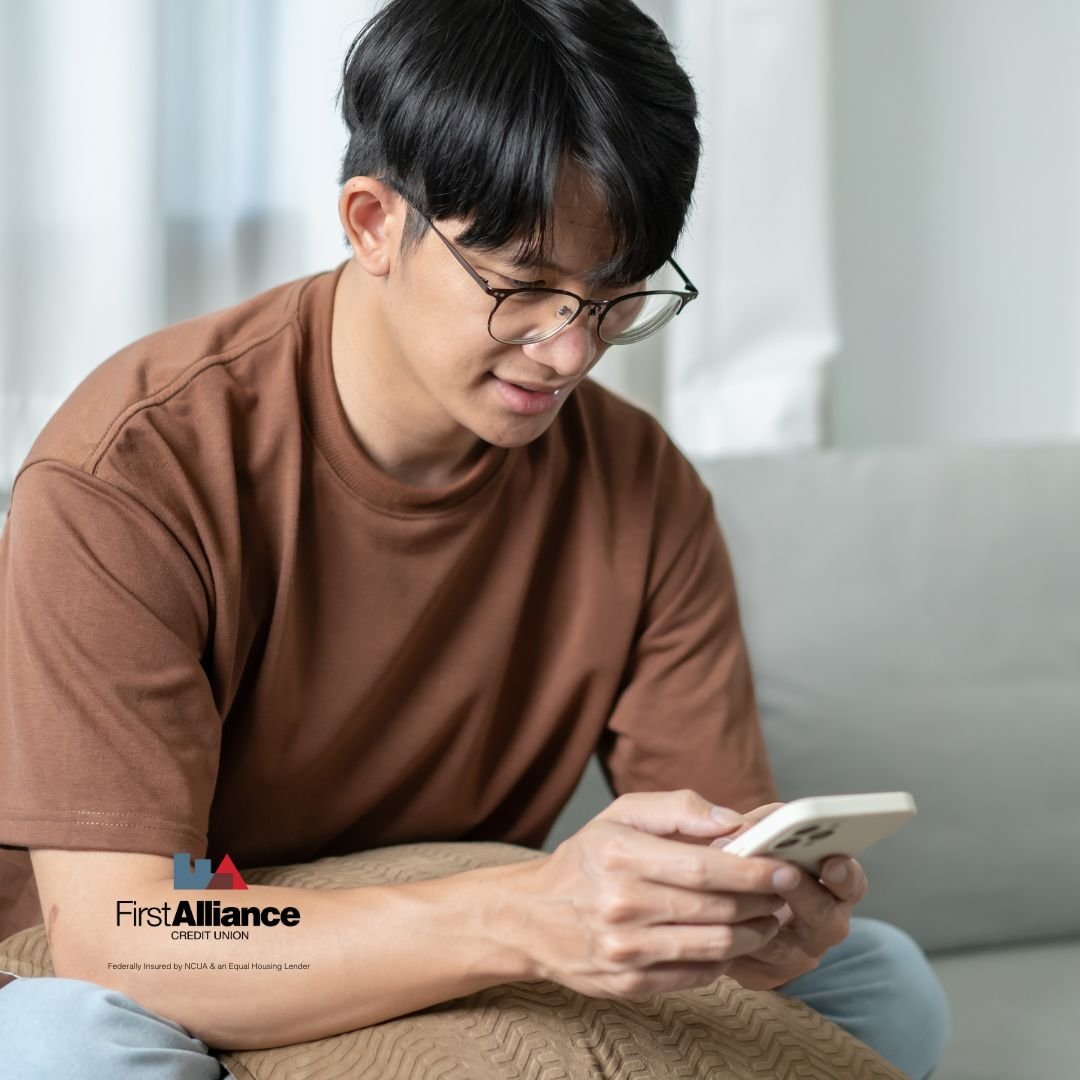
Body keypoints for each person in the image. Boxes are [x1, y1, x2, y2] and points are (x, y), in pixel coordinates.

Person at [0, 0, 950, 1076]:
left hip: (445, 924)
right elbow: (125, 935)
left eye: (615, 294)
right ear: (371, 223)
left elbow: (712, 852)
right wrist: (522, 914)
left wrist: (763, 917)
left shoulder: (642, 487)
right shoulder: (136, 467)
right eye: (526, 286)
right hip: (196, 944)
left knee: (882, 985)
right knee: (64, 1048)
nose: (570, 350)